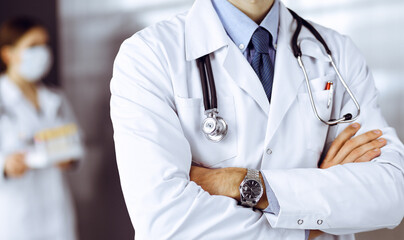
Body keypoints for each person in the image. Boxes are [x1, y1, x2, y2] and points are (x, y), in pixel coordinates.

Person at [110, 0, 404, 239]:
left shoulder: (337, 53)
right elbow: (165, 222)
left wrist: (243, 183)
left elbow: (391, 193)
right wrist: (311, 223)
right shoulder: (149, 56)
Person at [0, 17, 82, 240]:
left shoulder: (55, 99)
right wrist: (5, 165)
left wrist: (69, 157)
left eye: (44, 45)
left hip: (57, 212)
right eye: (32, 46)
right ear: (8, 54)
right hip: (15, 217)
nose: (42, 52)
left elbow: (76, 145)